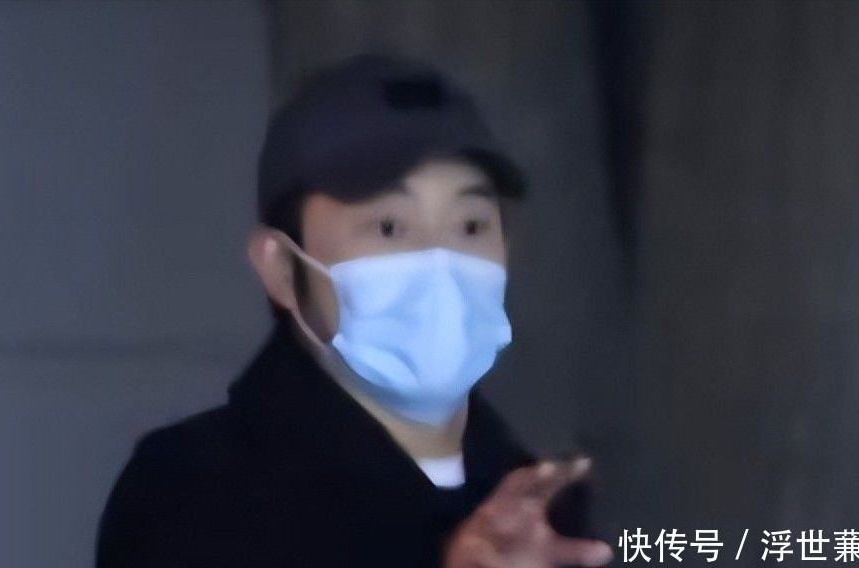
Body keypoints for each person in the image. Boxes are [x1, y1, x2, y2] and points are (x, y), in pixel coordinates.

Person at [95, 54, 614, 568]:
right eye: (388, 228)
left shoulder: (538, 509)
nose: (440, 260)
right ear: (282, 268)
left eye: (471, 226)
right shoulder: (190, 491)